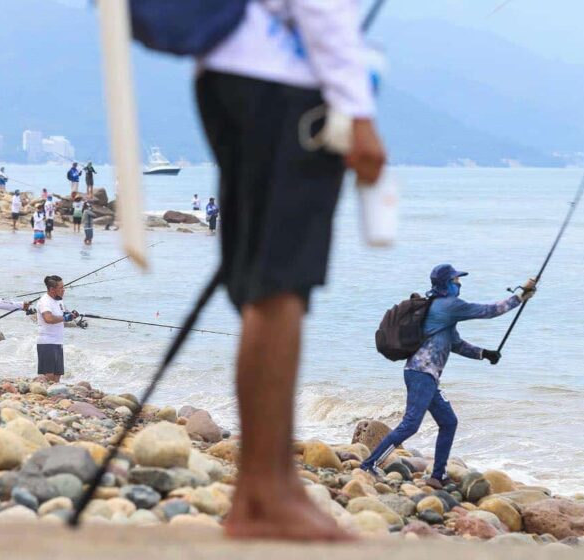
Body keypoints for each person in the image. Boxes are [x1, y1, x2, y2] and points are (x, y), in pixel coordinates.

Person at [196, 0, 385, 540]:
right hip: (280, 85)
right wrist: (360, 111)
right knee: (280, 290)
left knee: (265, 286)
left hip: (235, 74)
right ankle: (265, 493)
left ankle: (264, 488)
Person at [359, 265, 537, 486]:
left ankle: (437, 475)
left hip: (428, 376)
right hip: (420, 374)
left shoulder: (443, 312)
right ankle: (368, 465)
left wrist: (484, 354)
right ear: (445, 284)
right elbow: (489, 311)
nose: (460, 283)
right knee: (411, 424)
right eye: (456, 279)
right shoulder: (448, 306)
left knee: (448, 422)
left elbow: (456, 344)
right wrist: (520, 295)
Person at [36, 275, 78, 382]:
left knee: (57, 376)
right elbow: (48, 318)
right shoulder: (44, 301)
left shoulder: (59, 300)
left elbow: (62, 313)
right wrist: (64, 318)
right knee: (49, 376)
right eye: (61, 288)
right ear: (52, 289)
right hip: (47, 343)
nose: (64, 290)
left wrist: (71, 315)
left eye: (64, 287)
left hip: (58, 342)